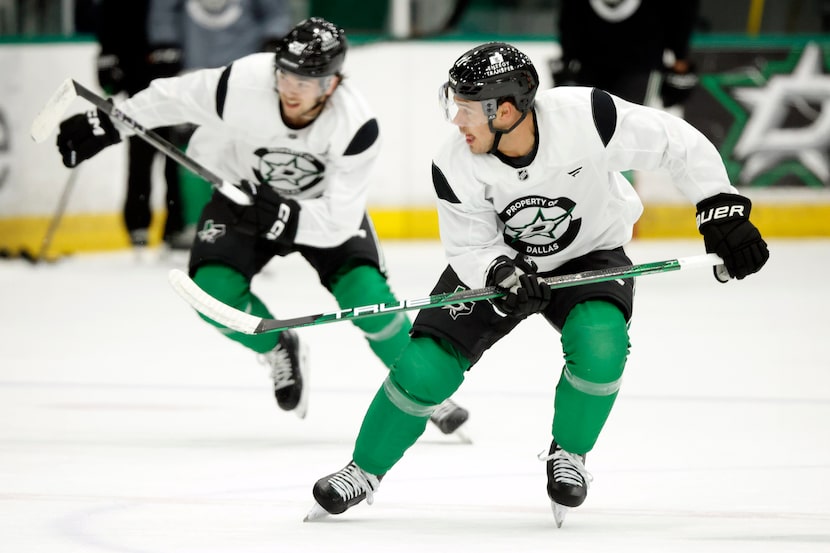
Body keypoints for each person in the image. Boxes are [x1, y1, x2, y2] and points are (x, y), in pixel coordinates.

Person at [306, 42, 769, 526]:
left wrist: (720, 205)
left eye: (465, 109)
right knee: (425, 368)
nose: (456, 121)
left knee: (601, 344)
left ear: (505, 110)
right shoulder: (454, 162)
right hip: (501, 268)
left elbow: (676, 142)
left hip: (589, 255)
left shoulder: (587, 116)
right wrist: (500, 272)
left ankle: (569, 454)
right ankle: (364, 469)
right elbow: (469, 246)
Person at [52, 17, 469, 435]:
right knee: (211, 293)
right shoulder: (244, 82)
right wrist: (110, 121)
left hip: (320, 211)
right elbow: (173, 97)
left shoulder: (356, 126)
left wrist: (287, 217)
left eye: (305, 81)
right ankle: (277, 346)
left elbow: (339, 223)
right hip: (244, 198)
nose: (290, 88)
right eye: (284, 74)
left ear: (332, 84)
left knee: (368, 297)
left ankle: (422, 389)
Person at [95, 0, 189, 250]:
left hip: (176, 73)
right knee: (141, 152)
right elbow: (110, 15)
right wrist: (108, 56)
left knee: (178, 155)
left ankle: (177, 224)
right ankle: (138, 224)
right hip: (137, 71)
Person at [551, 0, 700, 108]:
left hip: (640, 59)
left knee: (631, 129)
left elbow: (683, 8)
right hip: (591, 59)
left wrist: (680, 53)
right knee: (588, 130)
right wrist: (567, 55)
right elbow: (570, 9)